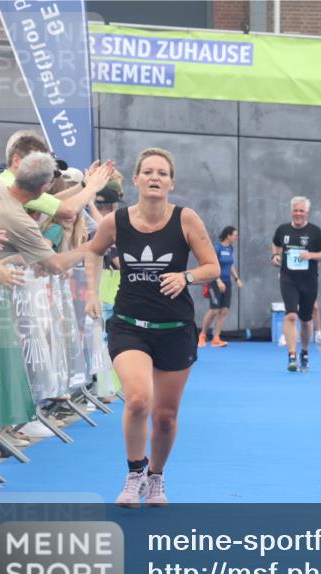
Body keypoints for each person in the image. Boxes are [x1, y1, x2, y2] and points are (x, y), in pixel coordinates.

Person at [84, 147, 219, 508]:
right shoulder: (118, 221)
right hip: (130, 326)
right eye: (148, 172)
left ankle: (156, 477)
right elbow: (94, 250)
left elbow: (212, 267)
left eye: (162, 173)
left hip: (175, 328)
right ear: (136, 180)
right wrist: (92, 293)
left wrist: (186, 276)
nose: (155, 178)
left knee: (165, 417)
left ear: (171, 182)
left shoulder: (186, 219)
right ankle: (134, 472)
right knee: (139, 399)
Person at [0, 152, 111, 274]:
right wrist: (96, 244)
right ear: (43, 187)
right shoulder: (22, 223)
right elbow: (56, 265)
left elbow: (51, 202)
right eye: (51, 180)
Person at [271, 196, 321, 372]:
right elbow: (275, 245)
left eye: (301, 210)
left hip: (309, 281)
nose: (298, 214)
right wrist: (275, 256)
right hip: (288, 279)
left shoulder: (315, 232)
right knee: (291, 315)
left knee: (306, 320)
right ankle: (291, 356)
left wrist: (311, 256)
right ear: (291, 211)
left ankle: (304, 352)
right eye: (295, 210)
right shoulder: (282, 230)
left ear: (307, 212)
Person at [199, 226, 242, 348]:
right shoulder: (217, 248)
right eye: (235, 234)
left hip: (227, 282)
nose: (236, 237)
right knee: (214, 310)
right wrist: (218, 281)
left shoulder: (230, 248)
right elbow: (212, 266)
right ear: (228, 235)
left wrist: (236, 278)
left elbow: (230, 264)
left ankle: (216, 338)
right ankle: (202, 335)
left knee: (224, 310)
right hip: (214, 282)